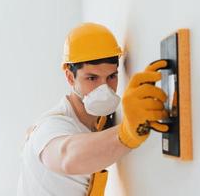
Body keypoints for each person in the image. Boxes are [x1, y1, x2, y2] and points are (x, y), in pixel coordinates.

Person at [17, 22, 169, 196]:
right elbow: (67, 156)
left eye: (111, 76)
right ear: (69, 77)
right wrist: (126, 133)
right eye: (92, 78)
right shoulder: (50, 126)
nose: (104, 89)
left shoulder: (98, 124)